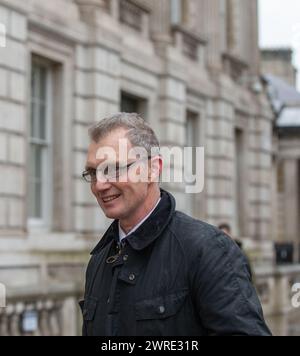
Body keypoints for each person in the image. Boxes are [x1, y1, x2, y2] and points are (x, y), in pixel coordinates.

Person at [80, 113, 271, 336]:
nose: (100, 185)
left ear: (153, 169)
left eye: (113, 169)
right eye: (93, 172)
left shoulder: (208, 250)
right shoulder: (99, 260)